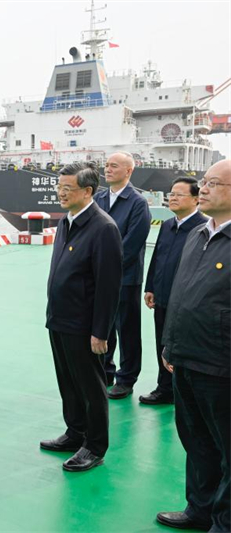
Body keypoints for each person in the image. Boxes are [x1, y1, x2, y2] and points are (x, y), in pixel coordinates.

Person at [156, 160, 230, 532]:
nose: (203, 189)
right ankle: (199, 509)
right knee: (196, 441)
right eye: (203, 182)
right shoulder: (197, 234)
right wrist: (169, 343)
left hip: (221, 366)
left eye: (213, 183)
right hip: (185, 358)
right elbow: (181, 294)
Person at [41, 161, 122, 472]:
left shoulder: (103, 228)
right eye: (59, 188)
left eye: (67, 189)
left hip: (84, 325)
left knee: (90, 386)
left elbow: (108, 286)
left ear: (87, 191)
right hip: (59, 319)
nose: (61, 193)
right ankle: (75, 432)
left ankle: (95, 446)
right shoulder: (66, 222)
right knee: (68, 382)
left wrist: (100, 331)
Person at [140, 177, 207, 405]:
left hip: (186, 301)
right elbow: (157, 255)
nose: (173, 198)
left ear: (196, 199)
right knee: (162, 342)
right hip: (163, 296)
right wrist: (150, 287)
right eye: (171, 193)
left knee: (182, 346)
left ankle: (183, 390)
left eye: (180, 194)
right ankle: (165, 388)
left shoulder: (202, 228)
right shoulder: (168, 225)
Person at [94, 152, 151, 399]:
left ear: (129, 171)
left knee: (126, 329)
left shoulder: (137, 203)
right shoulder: (99, 198)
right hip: (99, 276)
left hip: (126, 278)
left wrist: (107, 267)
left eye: (114, 166)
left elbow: (133, 242)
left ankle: (126, 378)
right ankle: (105, 371)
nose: (107, 169)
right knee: (103, 326)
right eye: (106, 165)